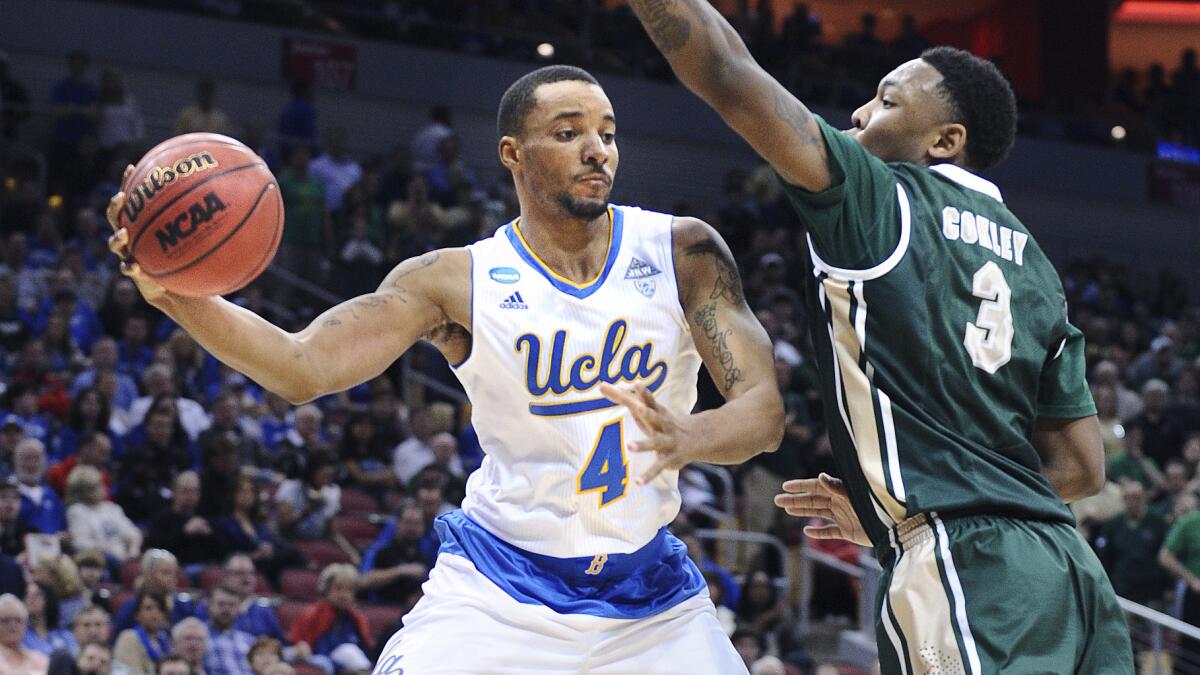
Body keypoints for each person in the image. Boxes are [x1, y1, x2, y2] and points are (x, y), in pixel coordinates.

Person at [105, 64, 782, 673]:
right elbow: (301, 365)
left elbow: (764, 413)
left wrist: (690, 437)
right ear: (513, 154)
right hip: (498, 590)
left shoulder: (682, 251)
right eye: (569, 131)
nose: (597, 148)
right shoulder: (457, 281)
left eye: (606, 131)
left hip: (649, 599)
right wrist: (174, 294)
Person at [628, 3, 1133, 672]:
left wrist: (932, 509)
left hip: (966, 573)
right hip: (1069, 575)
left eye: (887, 101)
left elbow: (724, 68)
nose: (861, 114)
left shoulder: (880, 198)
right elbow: (1081, 468)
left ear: (944, 141)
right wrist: (929, 495)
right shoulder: (1037, 266)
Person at [112, 550, 196, 634]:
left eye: (175, 573)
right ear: (148, 575)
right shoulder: (133, 606)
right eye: (166, 572)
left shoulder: (182, 605)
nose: (173, 578)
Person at [113, 589, 171, 675]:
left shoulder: (165, 640)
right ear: (137, 614)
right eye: (148, 608)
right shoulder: (128, 638)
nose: (155, 613)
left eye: (160, 608)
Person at [202, 585, 254, 675]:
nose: (226, 609)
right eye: (221, 604)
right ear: (209, 605)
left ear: (239, 607)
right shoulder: (197, 637)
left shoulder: (249, 640)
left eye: (232, 605)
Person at [0, 593, 50, 673]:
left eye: (18, 620)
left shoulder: (39, 658)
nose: (13, 626)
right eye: (5, 620)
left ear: (25, 624)